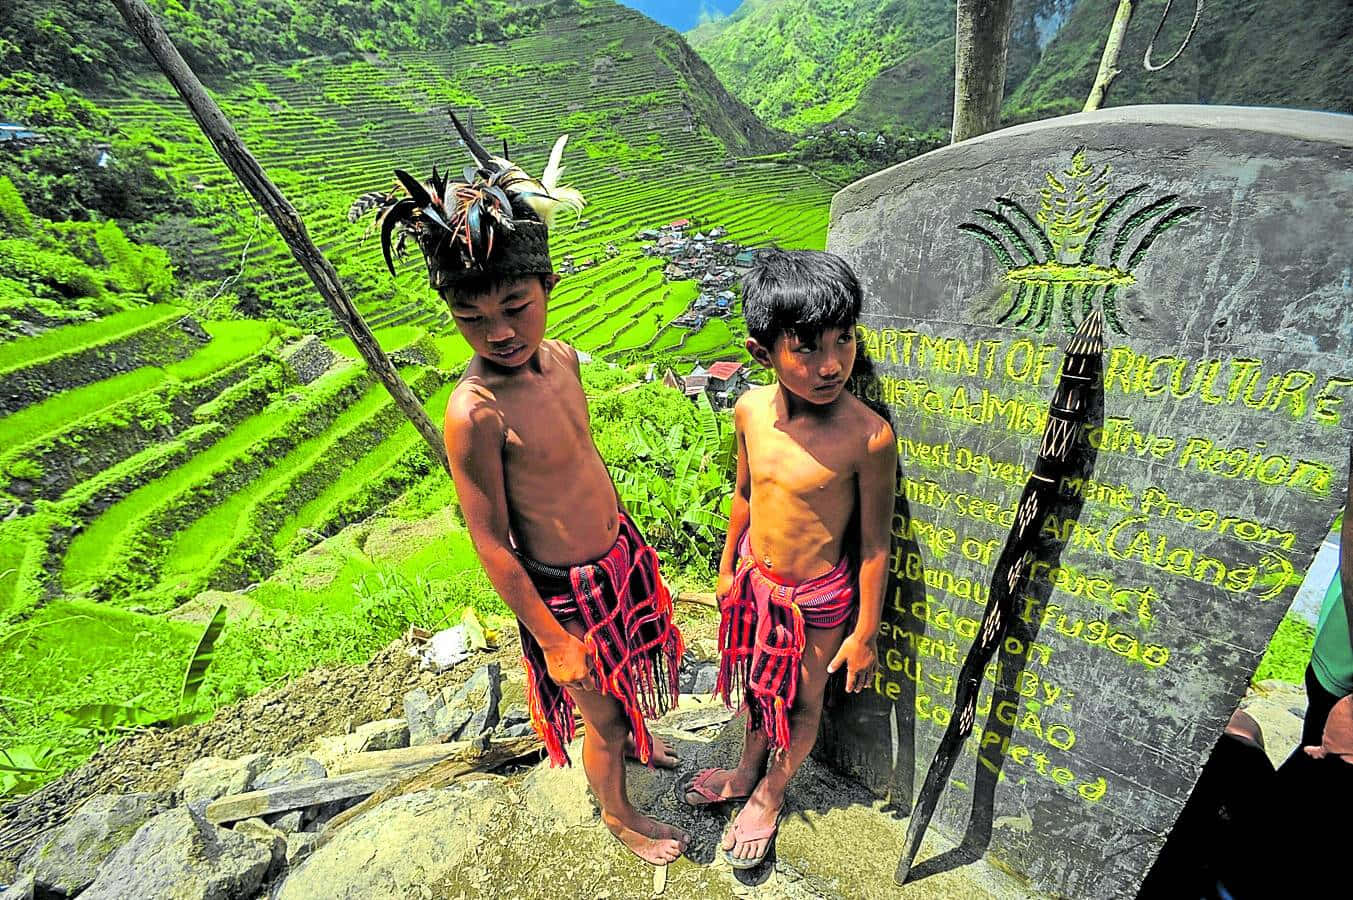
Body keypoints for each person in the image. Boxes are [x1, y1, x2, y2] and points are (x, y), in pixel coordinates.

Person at [352, 114, 688, 865]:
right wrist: (551, 637)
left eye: (513, 307)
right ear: (451, 313)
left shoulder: (563, 358)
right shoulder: (474, 412)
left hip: (617, 561)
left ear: (547, 286)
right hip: (561, 591)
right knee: (594, 715)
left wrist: (626, 542)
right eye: (471, 317)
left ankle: (637, 739)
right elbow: (489, 540)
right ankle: (617, 814)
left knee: (628, 674)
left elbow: (579, 460)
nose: (497, 331)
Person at [682, 249, 896, 868]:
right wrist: (726, 570)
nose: (831, 365)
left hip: (817, 603)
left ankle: (771, 794)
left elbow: (874, 543)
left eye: (844, 339)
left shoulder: (868, 435)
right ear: (761, 352)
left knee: (803, 701)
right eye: (806, 347)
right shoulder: (749, 410)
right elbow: (745, 494)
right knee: (756, 685)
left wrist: (865, 632)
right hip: (755, 586)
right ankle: (748, 765)